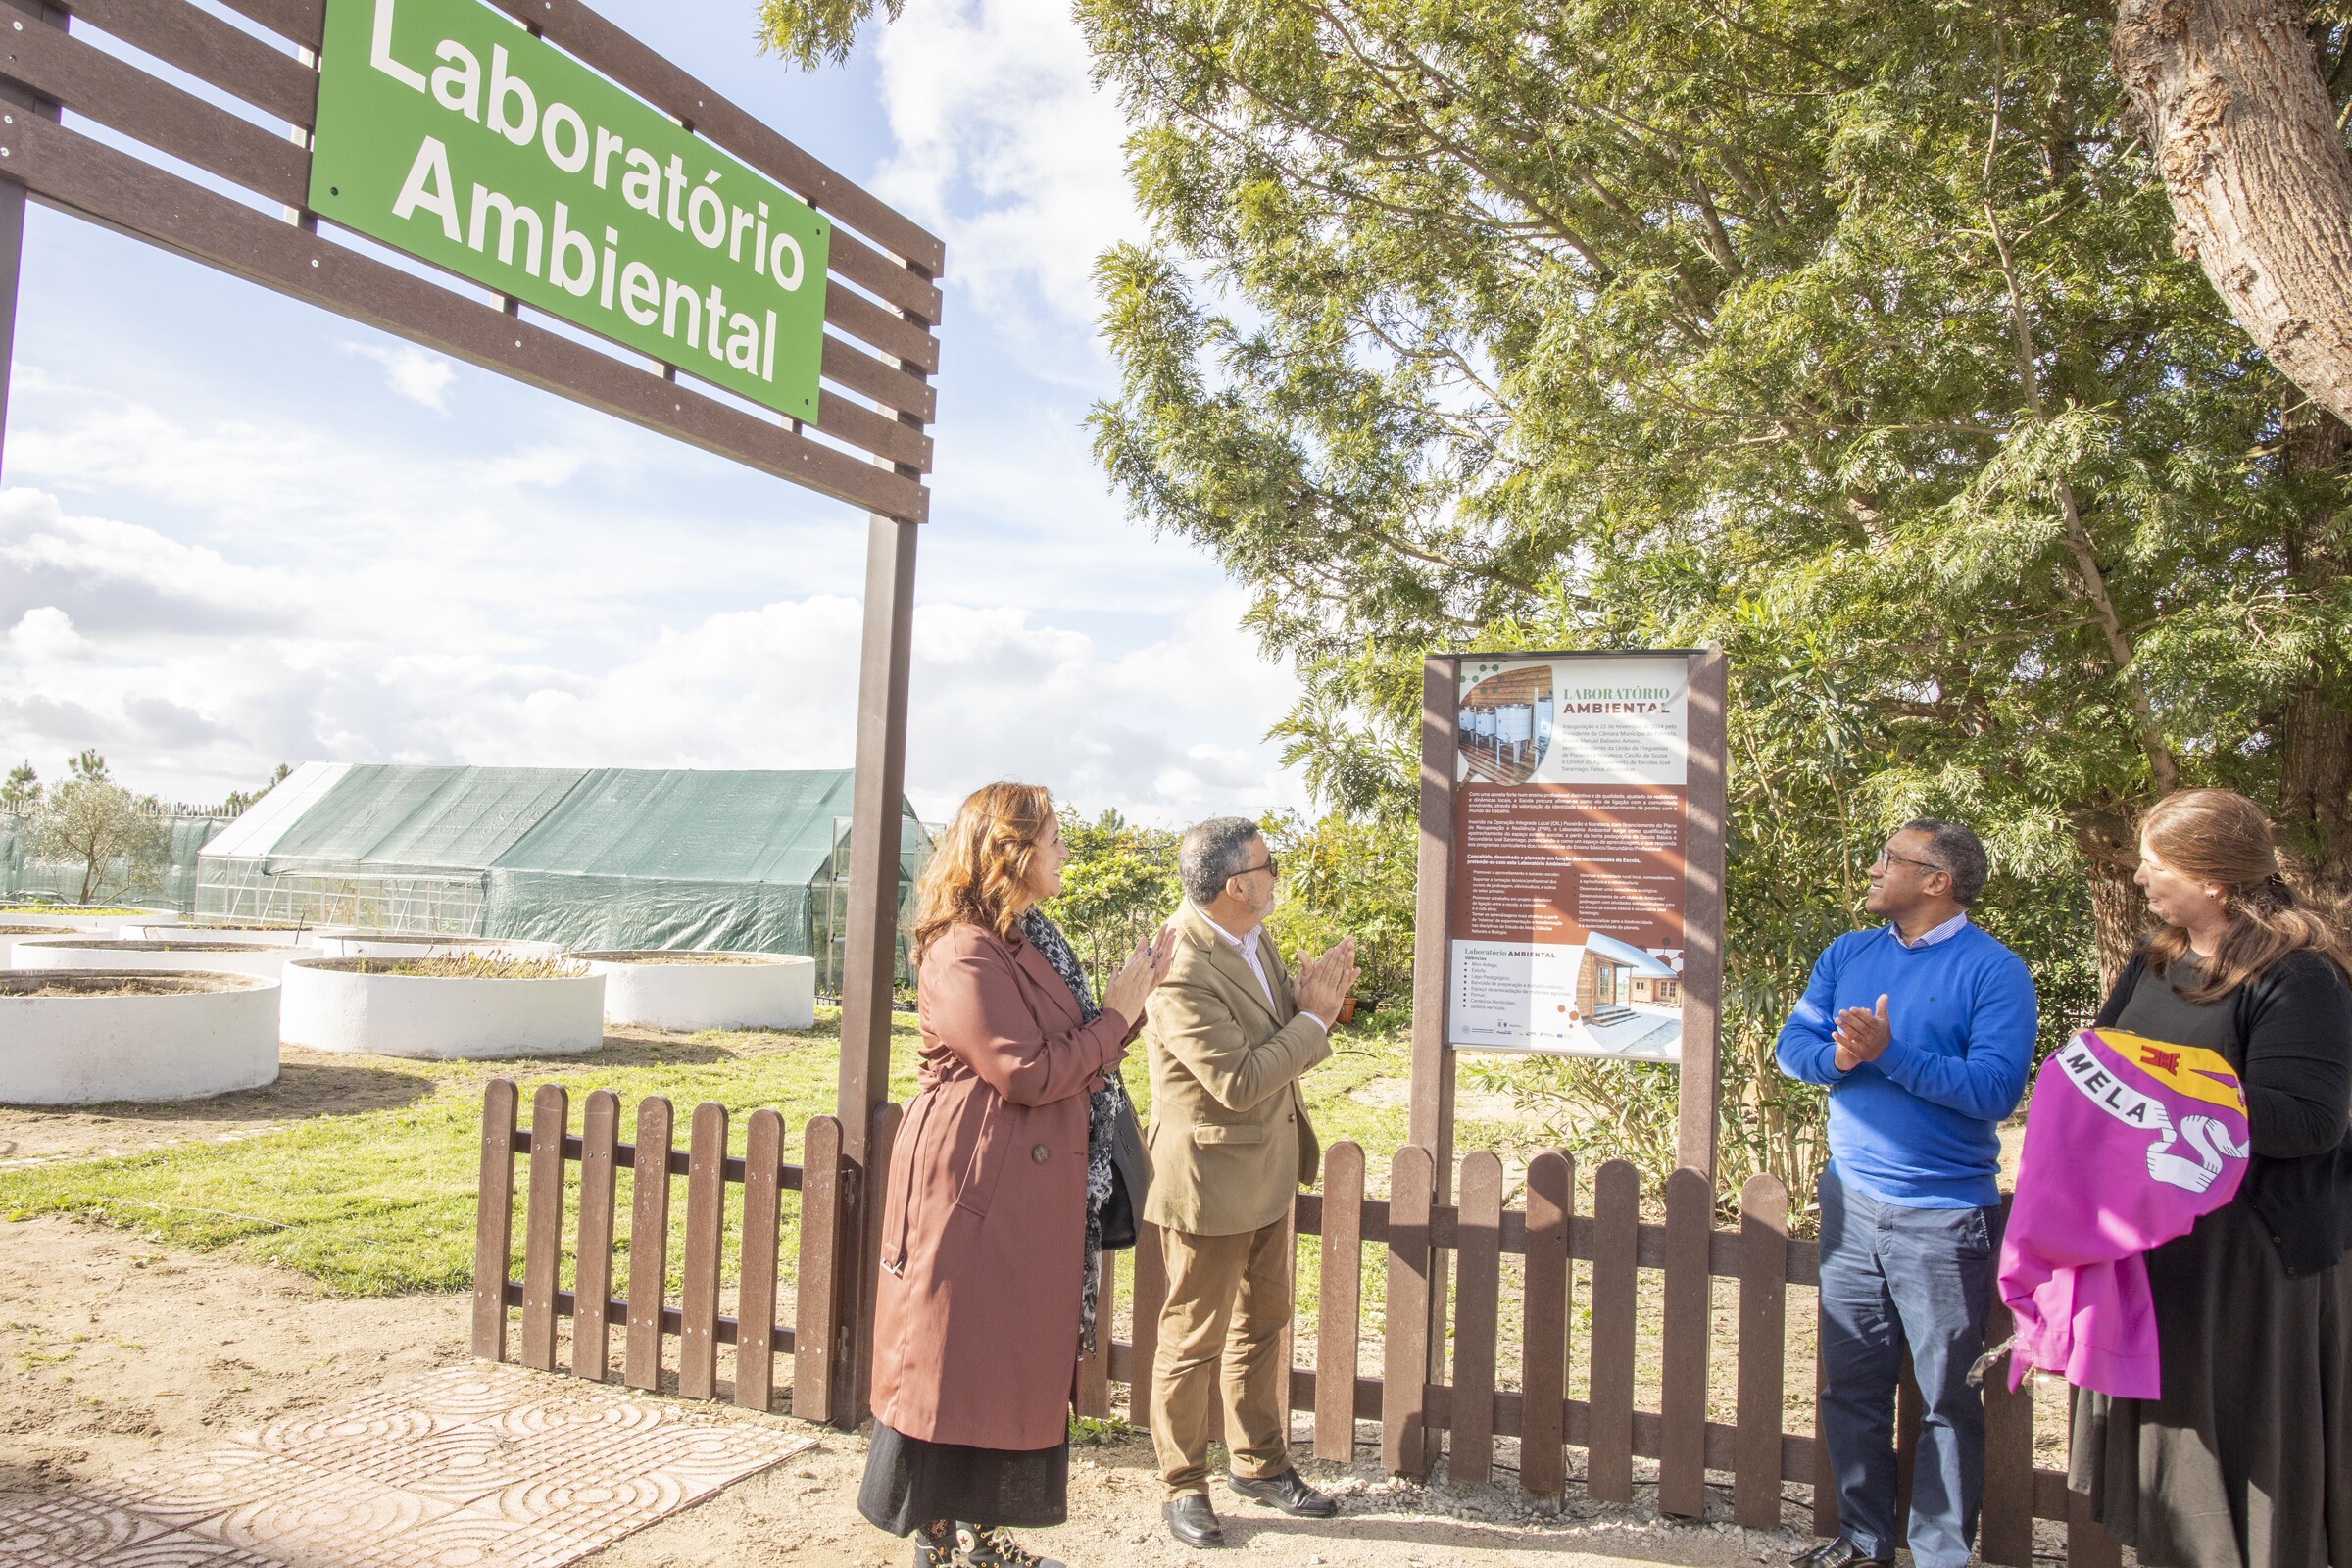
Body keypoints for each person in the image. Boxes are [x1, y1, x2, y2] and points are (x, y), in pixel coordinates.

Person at [860, 782, 1174, 1568]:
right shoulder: (962, 948)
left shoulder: (1028, 937)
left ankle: (978, 1538)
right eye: (1055, 839)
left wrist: (1130, 1002)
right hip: (972, 1187)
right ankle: (939, 1542)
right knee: (952, 1361)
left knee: (997, 1367)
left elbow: (1078, 1043)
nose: (1066, 852)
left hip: (1020, 1182)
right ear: (1010, 851)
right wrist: (1116, 1015)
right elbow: (1025, 1070)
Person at [2070, 788, 2352, 1568]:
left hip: (2249, 1260)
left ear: (2214, 880)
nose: (2140, 880)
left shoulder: (2299, 976)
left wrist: (2177, 1095)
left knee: (2241, 1471)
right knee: (2169, 1469)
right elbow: (2110, 1064)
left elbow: (2308, 1120)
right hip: (2153, 1247)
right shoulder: (2153, 960)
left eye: (2155, 866)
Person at [1777, 819, 2037, 1568]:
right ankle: (1864, 1543)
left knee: (1947, 1398)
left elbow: (1994, 1091)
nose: (1873, 867)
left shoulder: (1996, 973)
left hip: (1944, 1215)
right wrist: (1837, 1058)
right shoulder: (1847, 953)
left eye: (1889, 858)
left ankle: (1941, 1557)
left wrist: (1890, 1055)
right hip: (1851, 1203)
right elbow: (1792, 1048)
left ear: (1936, 881)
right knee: (1851, 1385)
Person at [1141, 815, 1358, 1549]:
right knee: (1193, 1337)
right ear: (1237, 885)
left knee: (1262, 1324)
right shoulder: (1178, 965)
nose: (1276, 876)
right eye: (1268, 866)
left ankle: (1259, 1466)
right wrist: (1314, 1020)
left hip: (1265, 1168)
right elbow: (1236, 1080)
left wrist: (1307, 1005)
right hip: (1207, 1179)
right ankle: (1182, 1484)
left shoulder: (1251, 935)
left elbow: (1272, 1041)